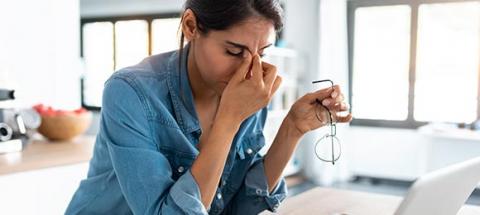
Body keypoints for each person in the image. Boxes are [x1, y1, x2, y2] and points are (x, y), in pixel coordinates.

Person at [66, 0, 352, 214]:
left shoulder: (248, 89)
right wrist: (228, 120)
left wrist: (293, 127)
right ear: (191, 26)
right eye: (234, 51)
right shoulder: (130, 92)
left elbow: (235, 205)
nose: (250, 70)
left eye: (262, 53)